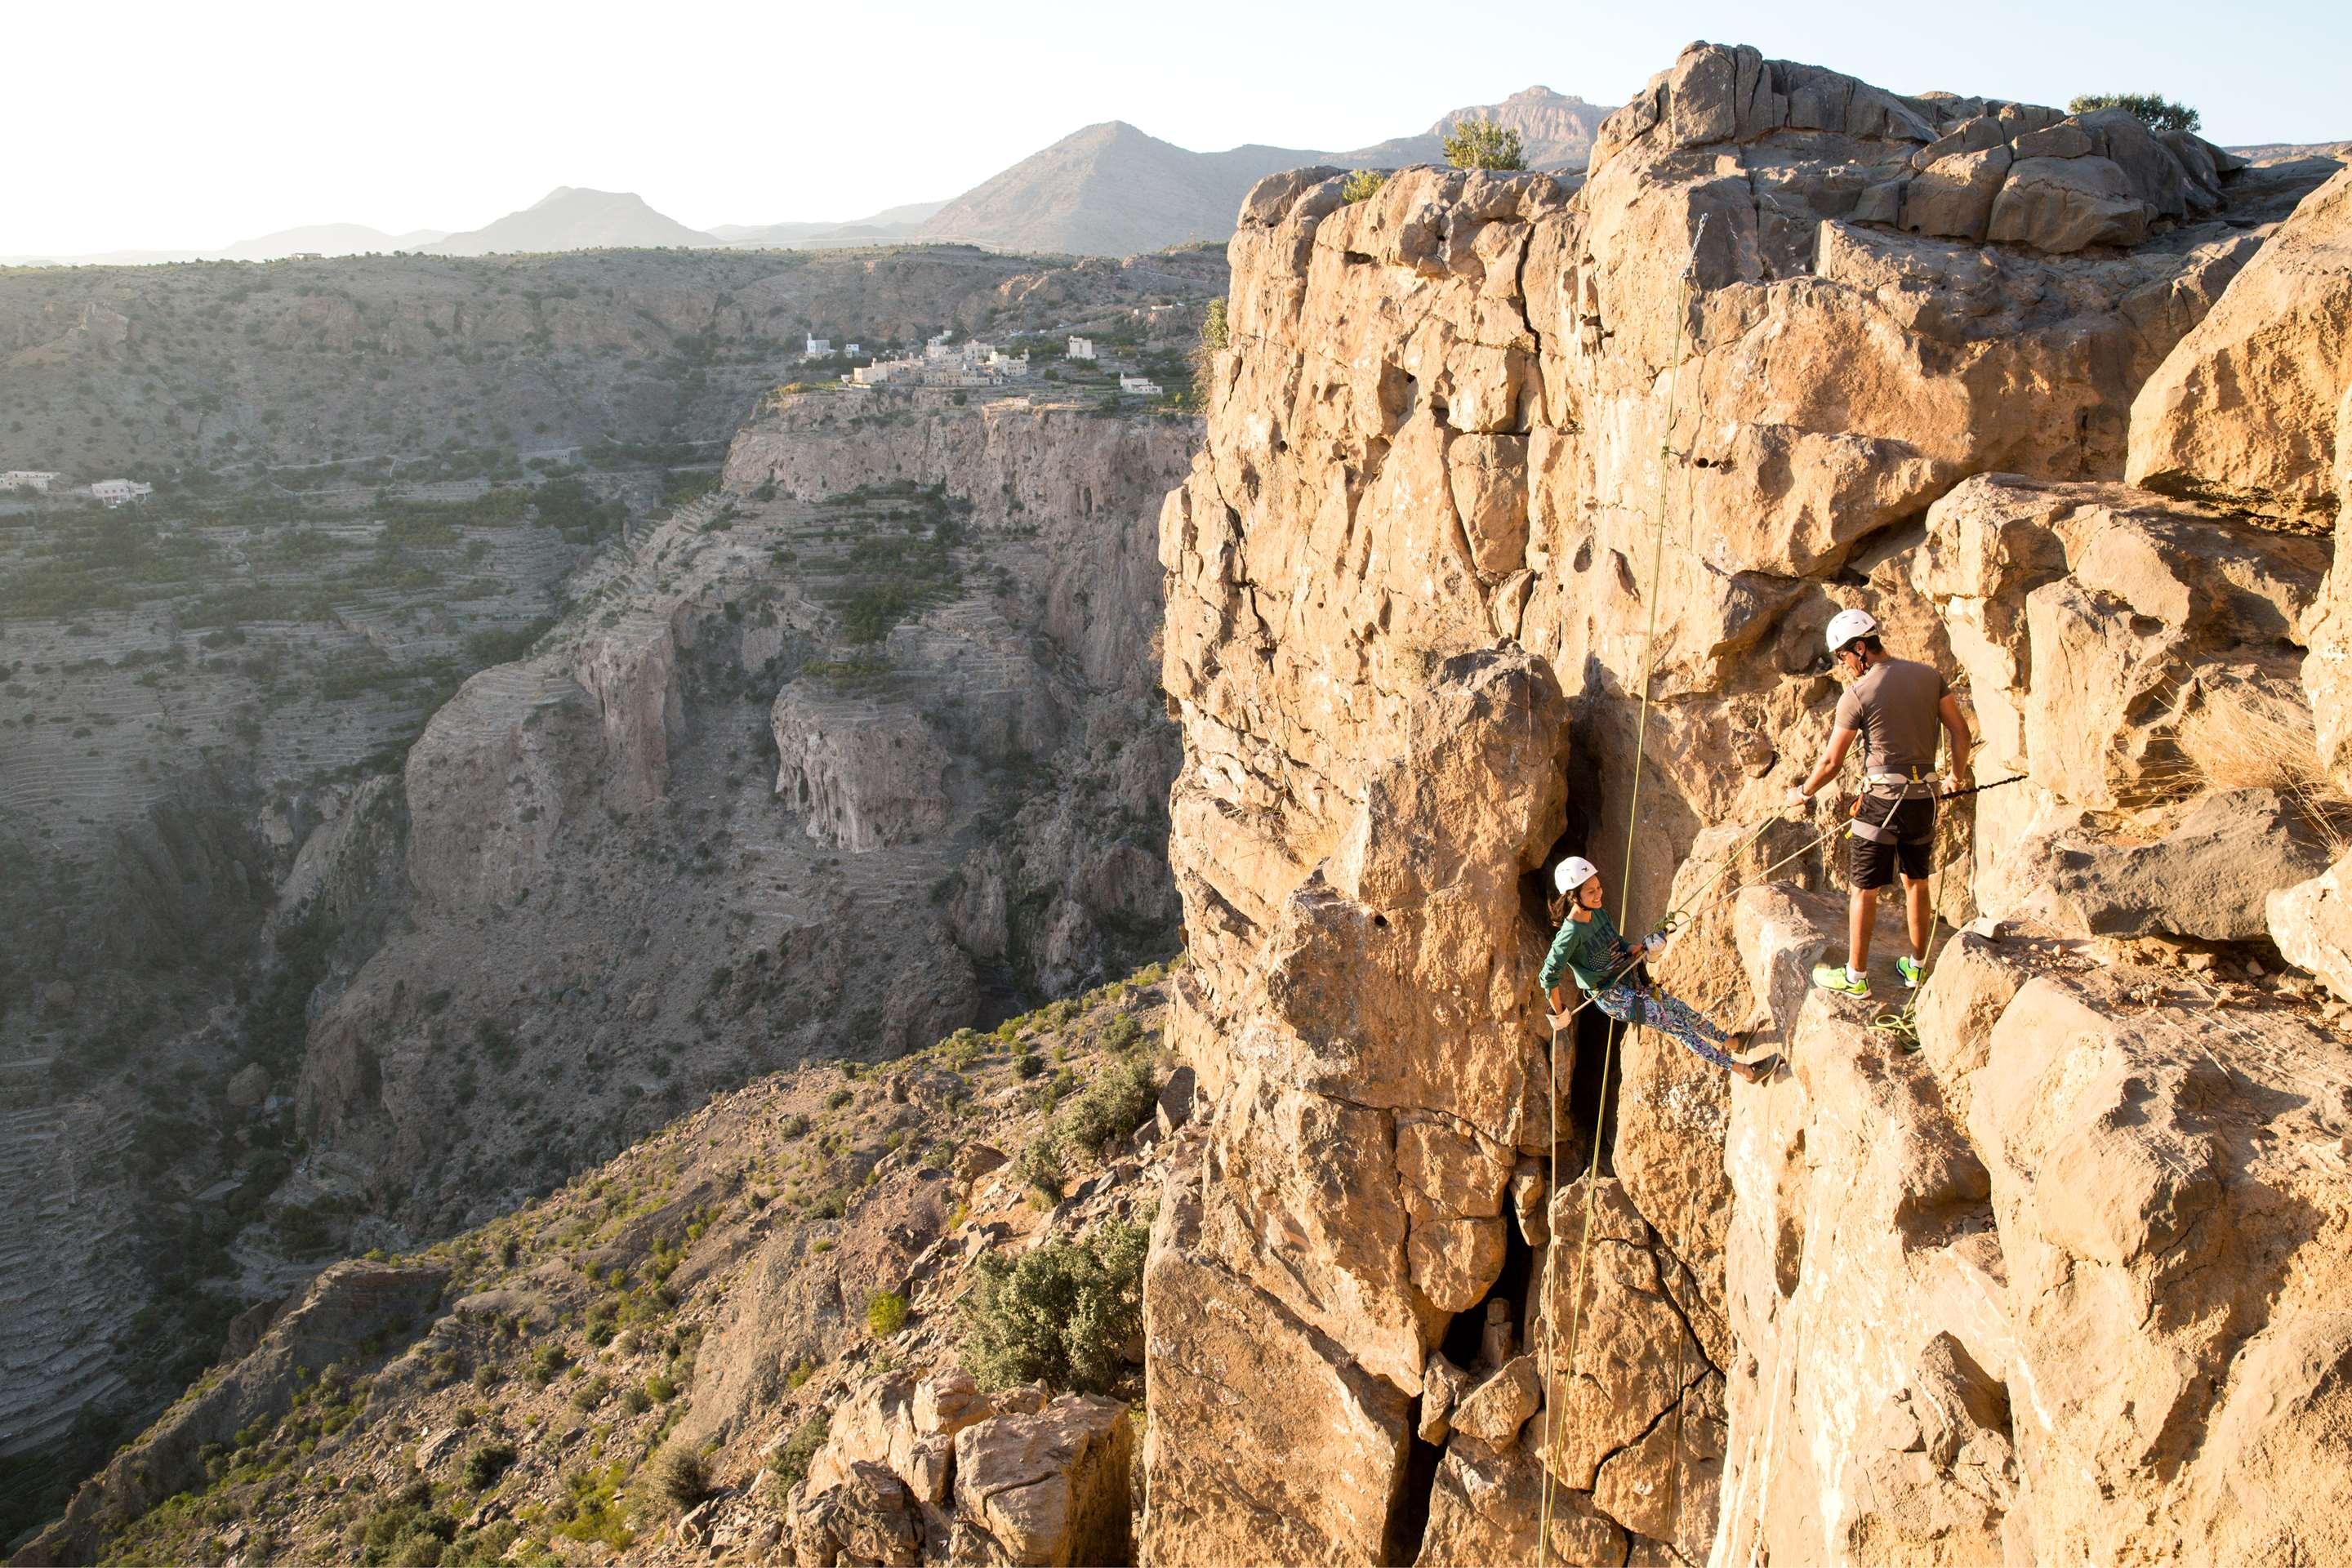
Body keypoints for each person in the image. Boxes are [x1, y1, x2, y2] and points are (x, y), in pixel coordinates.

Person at [1785, 608, 1973, 997]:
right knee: (1916, 882)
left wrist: (1803, 793)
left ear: (1860, 648)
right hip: (1924, 799)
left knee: (1863, 889)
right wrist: (1957, 776)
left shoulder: (1857, 694)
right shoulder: (1929, 677)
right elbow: (1960, 731)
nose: (1843, 665)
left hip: (1882, 802)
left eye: (1843, 656)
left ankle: (1856, 977)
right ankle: (1917, 969)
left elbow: (1831, 762)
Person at [1539, 856, 1780, 1083]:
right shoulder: (1570, 934)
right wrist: (1559, 1012)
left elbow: (1619, 943)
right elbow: (1549, 975)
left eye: (1598, 887)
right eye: (1590, 891)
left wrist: (1642, 948)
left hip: (1629, 978)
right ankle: (1746, 1071)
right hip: (1613, 996)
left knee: (1683, 1012)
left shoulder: (1598, 912)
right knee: (1680, 1027)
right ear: (1573, 896)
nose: (1598, 894)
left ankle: (1735, 1044)